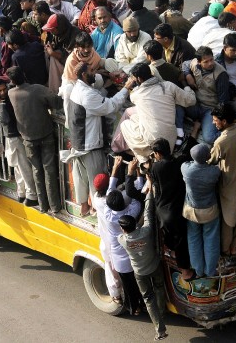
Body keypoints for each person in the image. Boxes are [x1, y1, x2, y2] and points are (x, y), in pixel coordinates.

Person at [66, 63, 132, 215]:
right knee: (98, 182)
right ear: (84, 75)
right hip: (90, 146)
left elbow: (96, 84)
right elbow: (111, 105)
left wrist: (107, 74)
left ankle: (84, 206)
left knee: (80, 180)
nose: (94, 74)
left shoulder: (77, 88)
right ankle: (97, 210)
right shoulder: (88, 95)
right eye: (91, 71)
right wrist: (126, 87)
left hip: (78, 144)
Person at [7, 67, 63, 214]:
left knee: (37, 171)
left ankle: (43, 205)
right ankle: (55, 206)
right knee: (49, 171)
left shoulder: (11, 93)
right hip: (46, 135)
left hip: (28, 139)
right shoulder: (38, 89)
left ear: (12, 81)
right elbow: (56, 102)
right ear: (24, 75)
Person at [116, 63, 196, 162]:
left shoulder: (136, 94)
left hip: (154, 144)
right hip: (170, 140)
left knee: (124, 125)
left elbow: (134, 94)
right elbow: (191, 100)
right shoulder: (168, 86)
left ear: (139, 79)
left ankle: (143, 160)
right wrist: (187, 88)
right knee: (134, 118)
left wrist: (128, 85)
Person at [208, 103, 236, 268]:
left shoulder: (222, 141)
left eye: (215, 120)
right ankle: (235, 248)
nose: (214, 123)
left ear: (224, 121)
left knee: (228, 221)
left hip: (229, 186)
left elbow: (210, 161)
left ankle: (226, 251)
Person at [119, 200, 169, 341]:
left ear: (123, 229)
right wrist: (149, 195)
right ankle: (162, 312)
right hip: (154, 266)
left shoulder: (122, 240)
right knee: (159, 288)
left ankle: (160, 329)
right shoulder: (146, 232)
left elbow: (128, 233)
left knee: (148, 298)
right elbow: (147, 214)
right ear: (136, 225)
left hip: (140, 273)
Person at [149, 138, 195, 281]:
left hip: (163, 211)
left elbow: (155, 182)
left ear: (157, 153)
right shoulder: (179, 162)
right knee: (181, 241)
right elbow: (188, 151)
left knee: (174, 240)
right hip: (177, 210)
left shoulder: (156, 167)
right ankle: (186, 270)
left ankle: (185, 271)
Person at [0, 79, 38, 207]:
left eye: (4, 89)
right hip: (12, 137)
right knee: (19, 166)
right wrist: (0, 104)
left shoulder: (11, 94)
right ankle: (25, 192)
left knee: (22, 166)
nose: (3, 92)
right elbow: (3, 119)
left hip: (19, 135)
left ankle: (29, 193)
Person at [181, 144, 221, 278]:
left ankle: (198, 270)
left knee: (193, 239)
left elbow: (186, 163)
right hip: (210, 211)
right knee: (211, 240)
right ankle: (210, 271)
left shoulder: (187, 170)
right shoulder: (214, 171)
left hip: (191, 211)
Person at [180, 46, 230, 144]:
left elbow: (223, 101)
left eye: (211, 59)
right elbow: (185, 64)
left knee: (209, 138)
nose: (210, 63)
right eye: (206, 61)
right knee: (177, 104)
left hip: (210, 109)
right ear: (199, 62)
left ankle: (232, 132)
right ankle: (179, 134)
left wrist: (218, 118)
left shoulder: (221, 74)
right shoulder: (194, 64)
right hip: (195, 103)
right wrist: (188, 75)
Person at [91, 173, 122, 304]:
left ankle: (116, 295)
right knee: (118, 270)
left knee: (110, 269)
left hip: (105, 242)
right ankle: (119, 294)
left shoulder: (96, 199)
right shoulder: (109, 203)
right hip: (116, 243)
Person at [41, 13, 81, 93]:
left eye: (53, 29)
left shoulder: (76, 36)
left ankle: (55, 90)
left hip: (76, 67)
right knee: (47, 53)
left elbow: (71, 60)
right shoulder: (58, 34)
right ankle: (50, 81)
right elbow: (56, 45)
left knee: (53, 57)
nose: (51, 31)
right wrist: (51, 47)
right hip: (64, 63)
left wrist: (53, 53)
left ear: (60, 27)